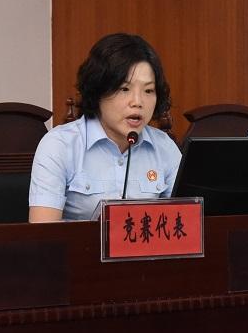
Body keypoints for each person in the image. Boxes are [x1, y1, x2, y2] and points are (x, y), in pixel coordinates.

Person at [29, 33, 182, 222]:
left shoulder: (164, 147)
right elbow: (44, 233)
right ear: (98, 90)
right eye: (124, 89)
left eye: (148, 90)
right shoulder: (59, 145)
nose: (138, 102)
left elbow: (187, 223)